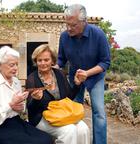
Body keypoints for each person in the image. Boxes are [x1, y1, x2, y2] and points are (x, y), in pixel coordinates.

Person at [56, 4, 111, 144]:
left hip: (95, 77)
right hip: (75, 79)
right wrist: (52, 68)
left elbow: (105, 62)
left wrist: (87, 73)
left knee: (99, 113)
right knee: (74, 110)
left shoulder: (98, 34)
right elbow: (61, 60)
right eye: (67, 24)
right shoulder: (64, 37)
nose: (69, 28)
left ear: (83, 21)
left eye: (73, 25)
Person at [0, 46, 53, 144]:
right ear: (0, 65)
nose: (15, 68)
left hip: (16, 122)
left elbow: (21, 109)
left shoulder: (16, 81)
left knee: (47, 139)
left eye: (16, 64)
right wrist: (11, 105)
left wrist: (20, 106)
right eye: (12, 65)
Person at [26, 44, 90, 144]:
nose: (43, 63)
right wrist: (36, 99)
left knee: (83, 129)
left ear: (52, 61)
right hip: (41, 118)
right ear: (36, 61)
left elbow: (68, 97)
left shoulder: (59, 74)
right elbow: (29, 108)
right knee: (69, 130)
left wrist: (77, 84)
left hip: (62, 113)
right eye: (40, 60)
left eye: (46, 60)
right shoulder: (32, 79)